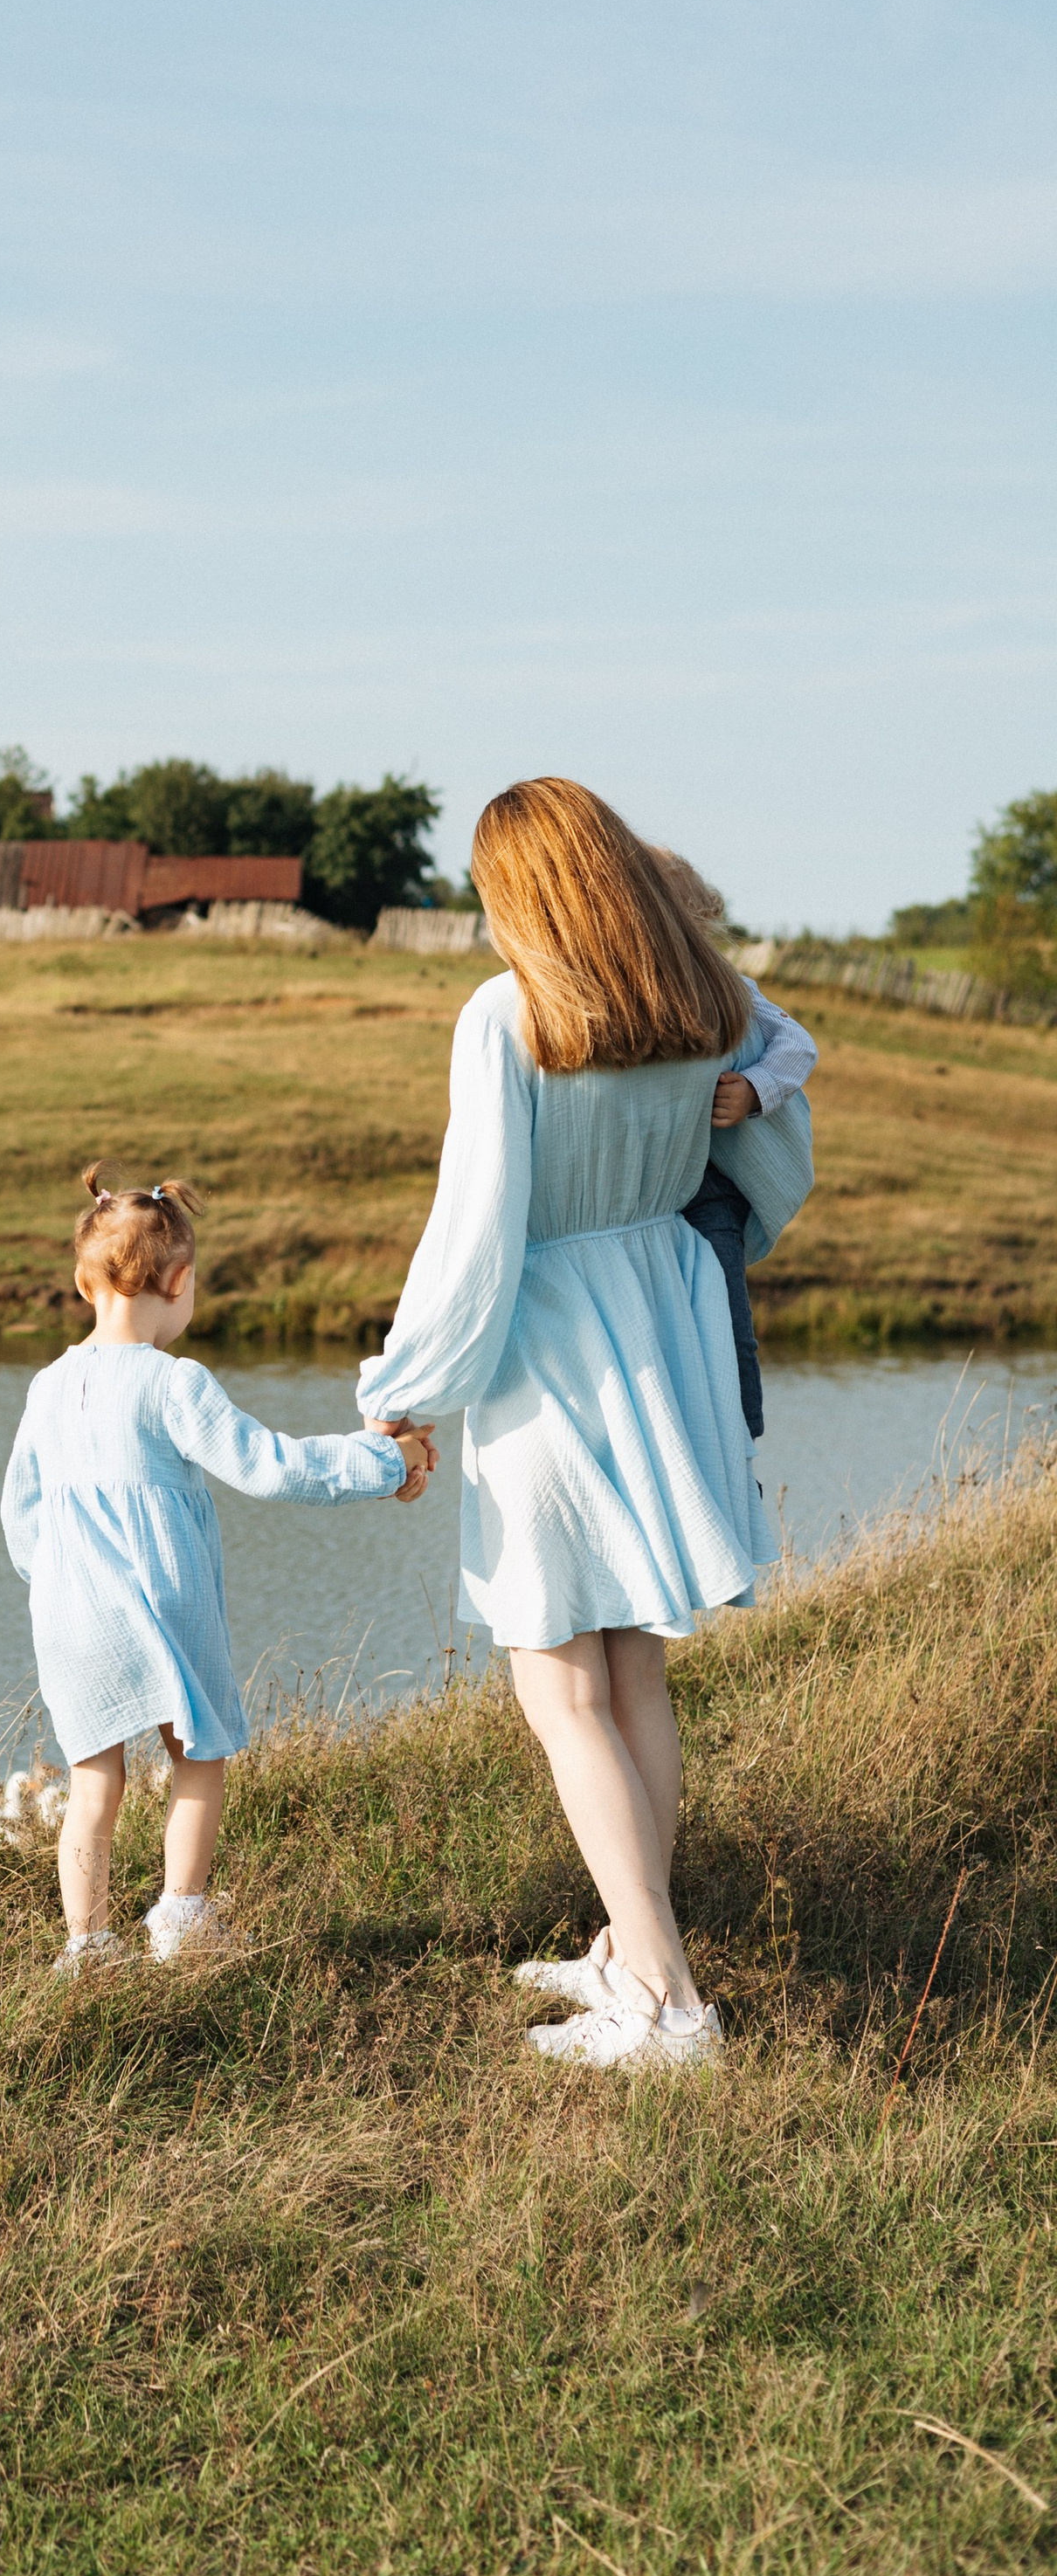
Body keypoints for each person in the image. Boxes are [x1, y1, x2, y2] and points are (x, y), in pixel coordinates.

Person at [355, 779, 813, 2072]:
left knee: (558, 1682)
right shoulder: (704, 1004)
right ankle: (627, 1946)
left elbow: (477, 1225)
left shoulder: (512, 1015)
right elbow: (780, 1160)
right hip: (663, 1324)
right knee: (629, 1670)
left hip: (548, 1342)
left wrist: (406, 1381)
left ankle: (666, 2003)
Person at [2, 1168, 434, 1974]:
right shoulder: (175, 1382)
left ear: (82, 1283)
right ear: (180, 1281)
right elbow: (273, 1468)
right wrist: (381, 1460)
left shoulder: (46, 1386)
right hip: (167, 1601)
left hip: (69, 1610)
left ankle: (87, 1946)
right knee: (196, 1754)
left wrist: (58, 1585)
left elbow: (19, 1509)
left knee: (93, 1783)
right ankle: (180, 1918)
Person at [650, 850, 818, 1443]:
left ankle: (741, 1439)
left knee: (723, 1310)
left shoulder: (730, 988)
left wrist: (754, 1089)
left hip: (710, 1185)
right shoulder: (626, 992)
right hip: (648, 1186)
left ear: (697, 922)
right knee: (663, 1321)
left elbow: (797, 1045)